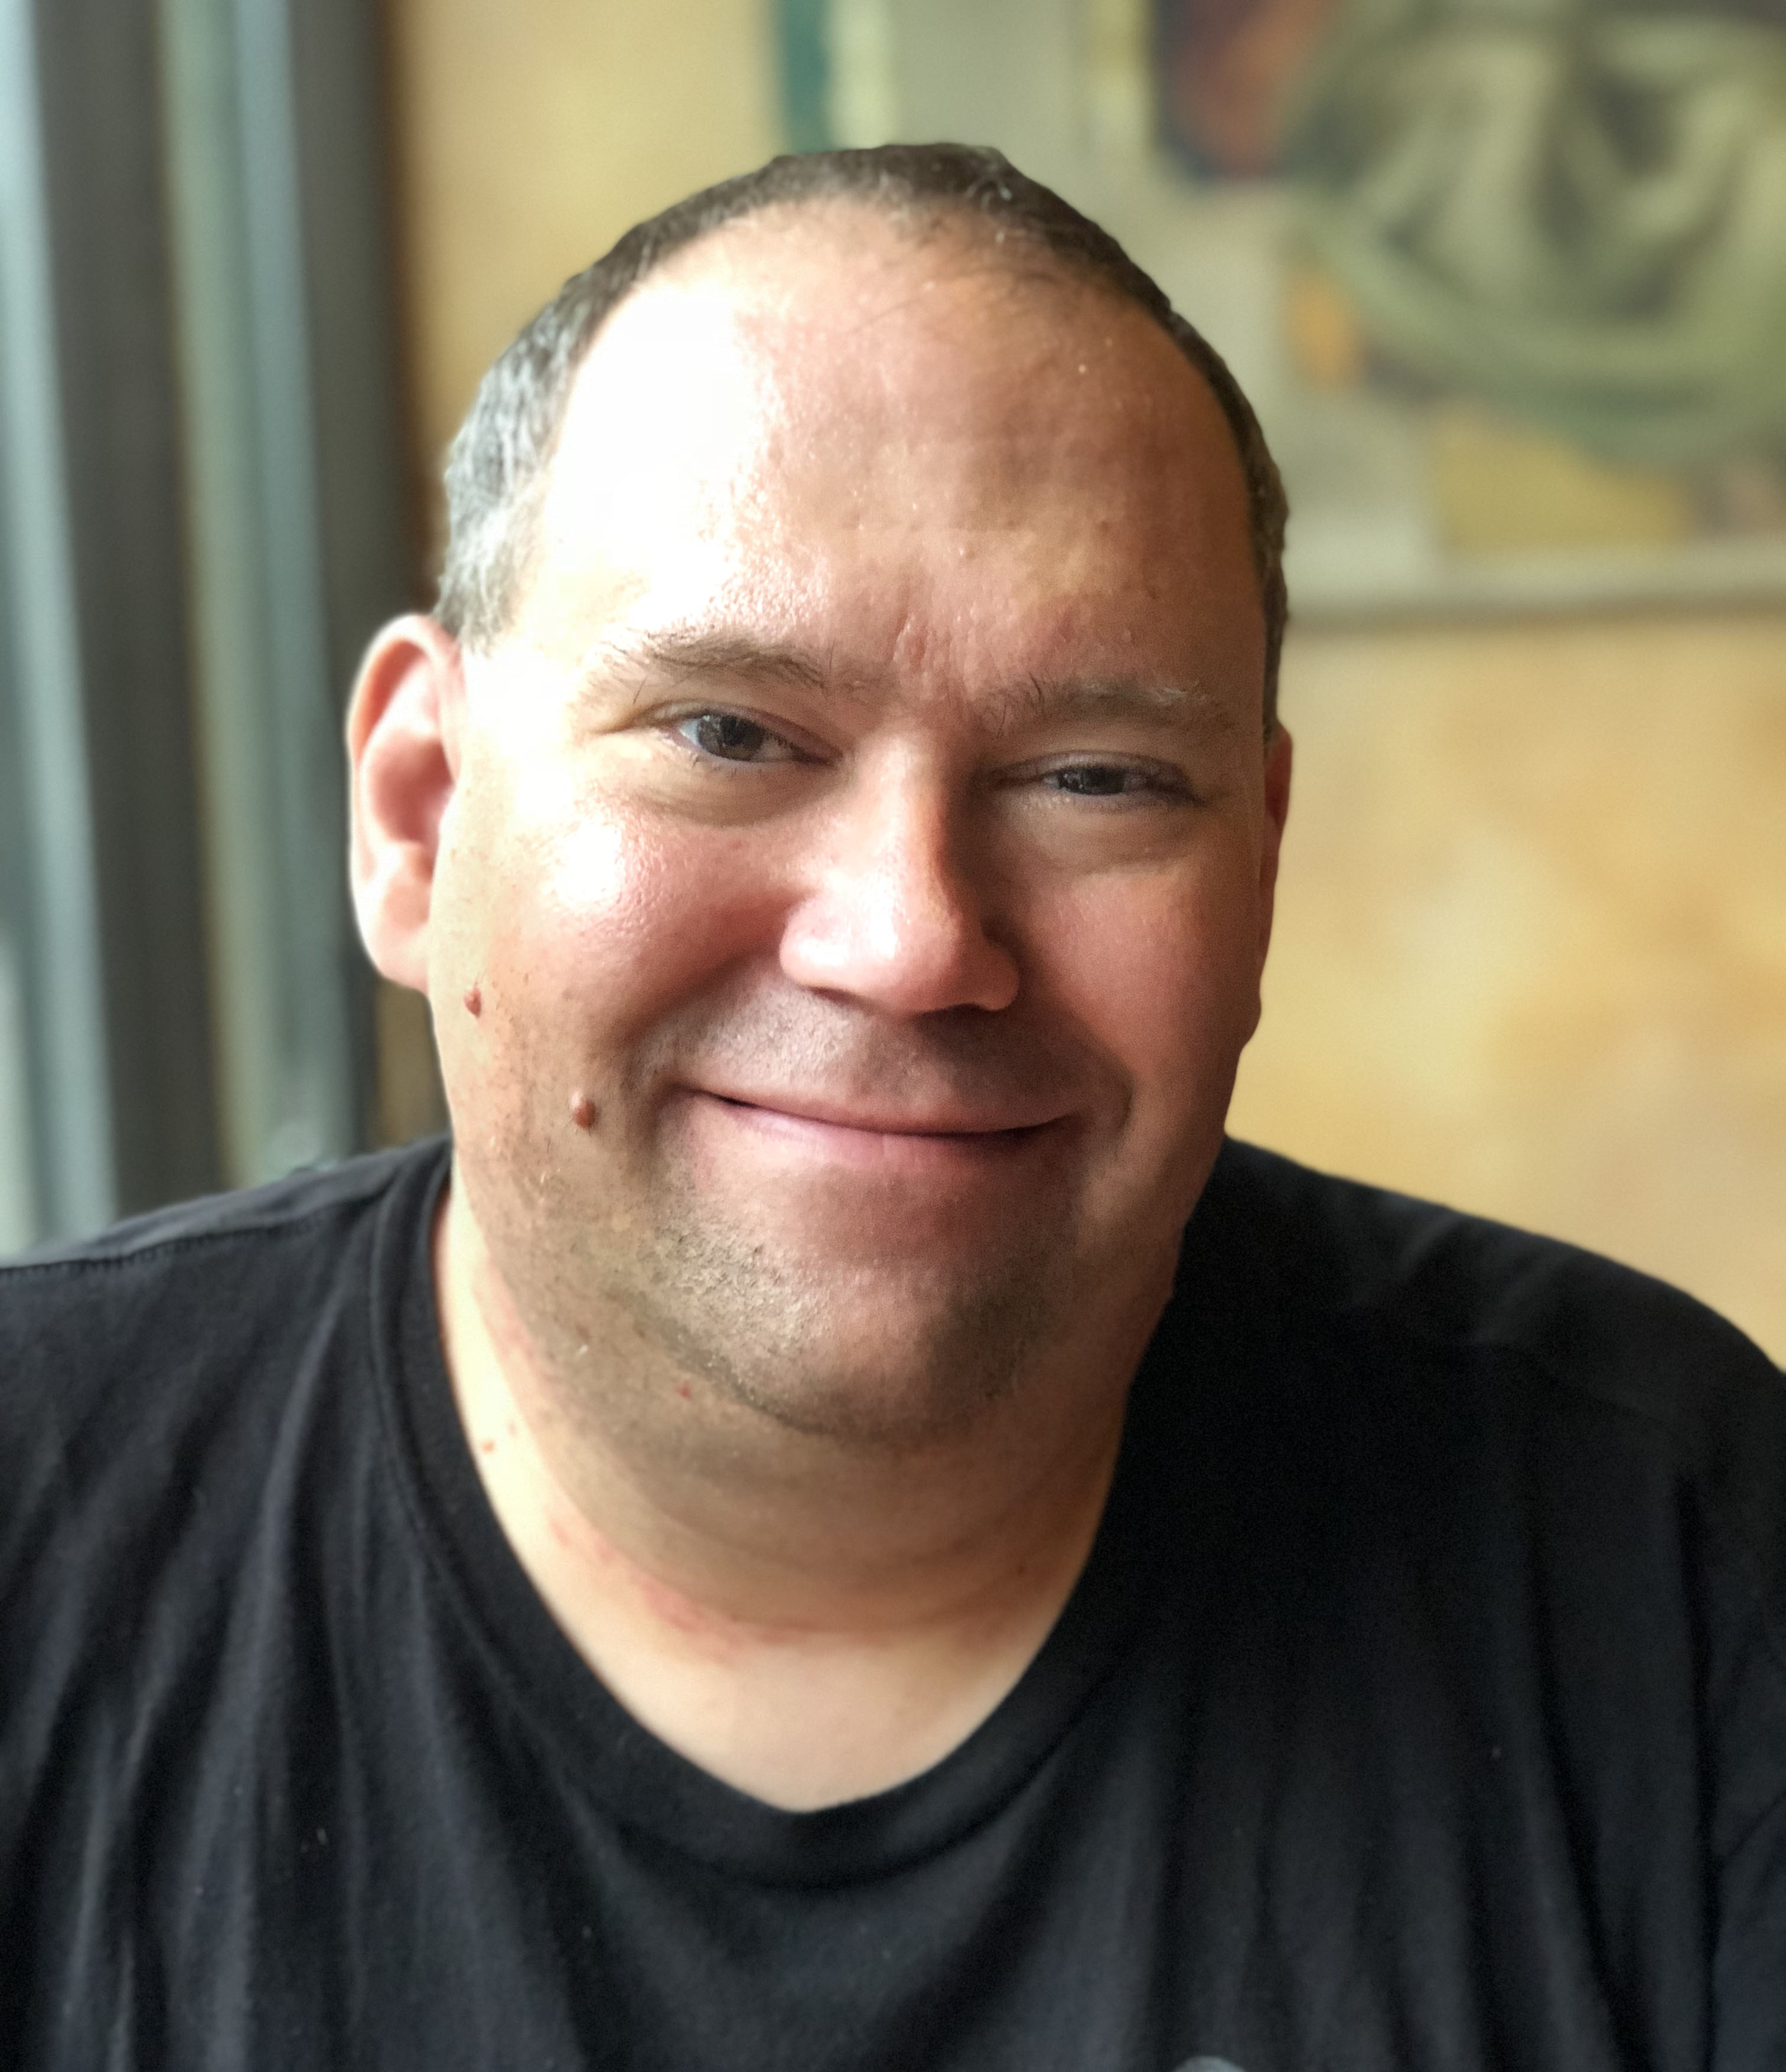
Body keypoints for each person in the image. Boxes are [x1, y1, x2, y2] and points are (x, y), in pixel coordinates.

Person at [1, 144, 1780, 2072]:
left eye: (1098, 777)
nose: (915, 939)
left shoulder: (1661, 1542)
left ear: (1260, 867)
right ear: (422, 815)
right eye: (729, 736)